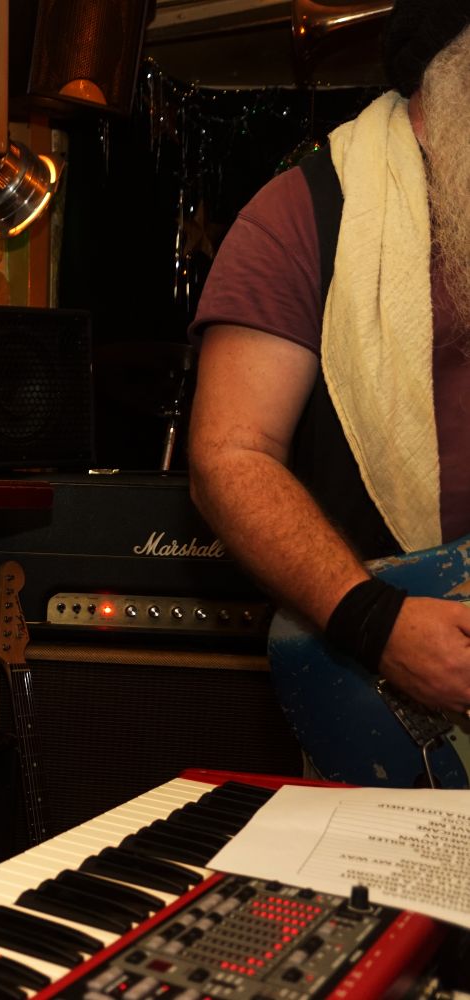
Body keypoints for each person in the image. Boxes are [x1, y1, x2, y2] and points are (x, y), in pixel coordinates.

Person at [188, 0, 470, 716]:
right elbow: (231, 456)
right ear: (451, 68)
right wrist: (375, 624)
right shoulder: (302, 213)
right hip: (399, 685)